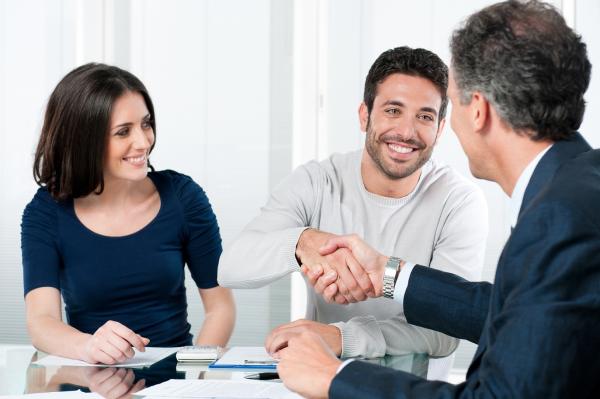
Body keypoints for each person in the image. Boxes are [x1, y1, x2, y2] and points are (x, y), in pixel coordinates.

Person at [276, 1, 600, 398]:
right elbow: (519, 315)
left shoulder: (559, 218)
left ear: (477, 109)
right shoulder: (580, 183)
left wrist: (333, 377)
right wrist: (386, 273)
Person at [218, 47, 488, 363]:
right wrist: (303, 243)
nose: (406, 131)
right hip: (322, 383)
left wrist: (344, 336)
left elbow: (446, 331)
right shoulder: (316, 181)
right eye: (392, 110)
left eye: (425, 116)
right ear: (364, 115)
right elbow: (230, 268)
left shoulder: (459, 201)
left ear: (440, 129)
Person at [21, 63, 235, 365]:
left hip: (175, 380)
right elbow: (41, 322)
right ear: (84, 140)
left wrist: (192, 373)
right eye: (123, 132)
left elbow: (220, 308)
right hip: (90, 379)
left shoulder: (183, 197)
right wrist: (89, 346)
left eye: (145, 124)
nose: (143, 142)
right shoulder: (46, 212)